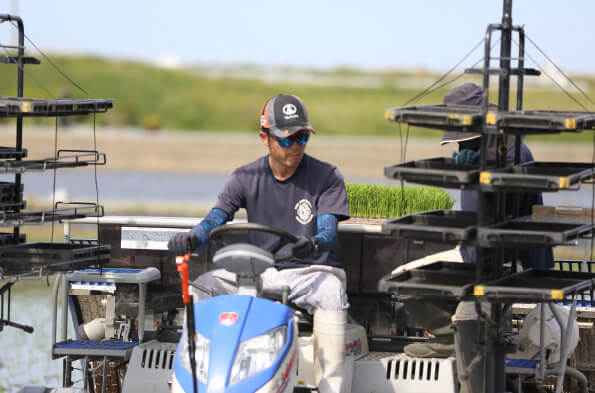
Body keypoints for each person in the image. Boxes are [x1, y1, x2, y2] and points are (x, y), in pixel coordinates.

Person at [168, 93, 351, 393]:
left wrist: (313, 244)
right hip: (256, 273)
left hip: (309, 272)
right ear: (264, 137)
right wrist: (190, 239)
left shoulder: (328, 176)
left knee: (331, 290)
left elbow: (328, 234)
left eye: (303, 137)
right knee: (201, 285)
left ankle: (332, 386)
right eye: (287, 139)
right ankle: (196, 380)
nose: (296, 147)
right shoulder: (244, 176)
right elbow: (213, 220)